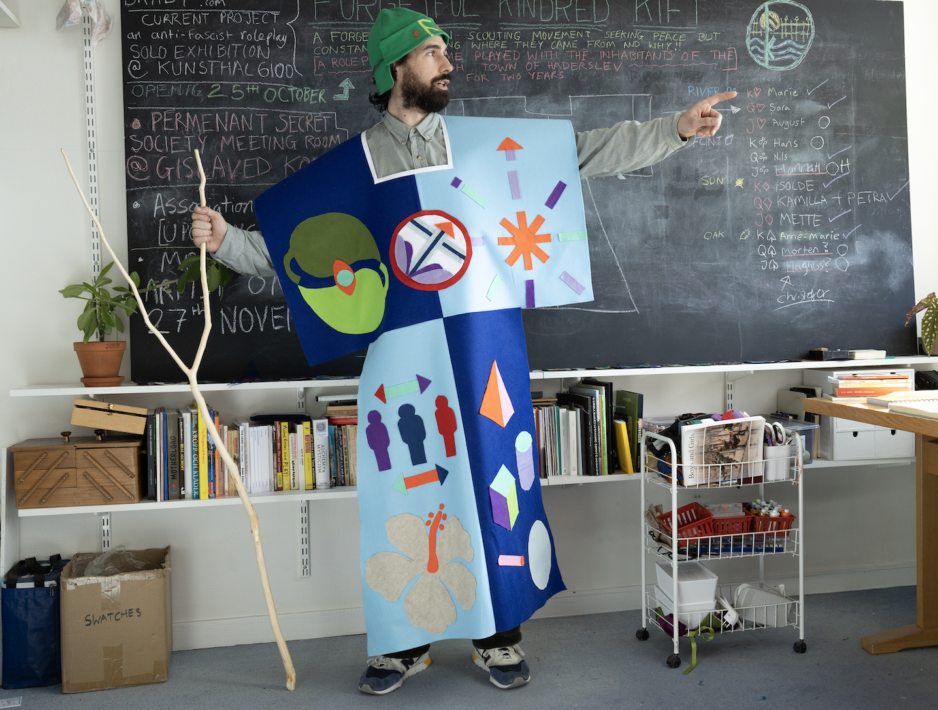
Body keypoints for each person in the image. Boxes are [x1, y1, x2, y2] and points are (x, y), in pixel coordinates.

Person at [191, 8, 734, 696]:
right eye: (431, 53)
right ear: (395, 68)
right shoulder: (352, 168)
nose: (448, 63)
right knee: (404, 487)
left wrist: (674, 131)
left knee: (492, 479)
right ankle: (402, 644)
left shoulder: (480, 143)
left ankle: (497, 636)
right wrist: (224, 242)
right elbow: (288, 255)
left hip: (483, 344)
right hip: (402, 354)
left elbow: (585, 154)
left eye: (447, 50)